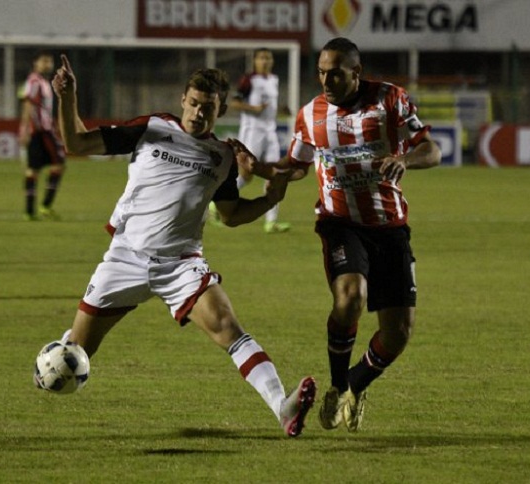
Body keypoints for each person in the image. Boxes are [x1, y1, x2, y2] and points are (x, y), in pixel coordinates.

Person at [43, 54, 317, 438]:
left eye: (209, 107)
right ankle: (48, 371)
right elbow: (76, 141)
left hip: (181, 265)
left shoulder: (223, 156)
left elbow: (232, 215)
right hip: (126, 258)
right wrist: (68, 96)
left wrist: (271, 200)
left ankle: (282, 408)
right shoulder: (152, 128)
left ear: (220, 109)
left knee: (229, 329)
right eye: (194, 103)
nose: (199, 112)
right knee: (74, 352)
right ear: (182, 100)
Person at [278, 37, 442, 432]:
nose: (325, 79)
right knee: (351, 296)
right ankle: (336, 387)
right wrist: (263, 171)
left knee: (398, 332)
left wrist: (404, 159)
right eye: (320, 71)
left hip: (389, 227)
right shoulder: (310, 114)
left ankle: (355, 383)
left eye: (334, 72)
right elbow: (295, 166)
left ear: (356, 72)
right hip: (339, 222)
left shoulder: (391, 100)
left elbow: (431, 150)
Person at [209, 48, 291, 234]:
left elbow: (269, 108)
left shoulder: (274, 80)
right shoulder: (248, 80)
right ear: (255, 61)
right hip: (252, 131)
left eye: (268, 58)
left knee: (275, 172)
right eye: (262, 58)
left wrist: (281, 111)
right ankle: (217, 203)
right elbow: (235, 102)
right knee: (246, 175)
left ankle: (271, 222)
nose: (265, 61)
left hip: (270, 132)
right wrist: (253, 108)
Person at [18, 49, 66, 221]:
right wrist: (24, 130)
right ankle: (45, 206)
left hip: (43, 129)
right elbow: (28, 105)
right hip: (40, 130)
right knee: (58, 164)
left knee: (33, 169)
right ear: (35, 63)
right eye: (44, 61)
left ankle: (30, 212)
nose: (48, 64)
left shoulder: (43, 82)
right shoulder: (34, 81)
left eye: (49, 61)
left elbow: (42, 108)